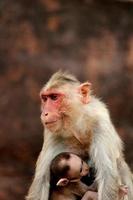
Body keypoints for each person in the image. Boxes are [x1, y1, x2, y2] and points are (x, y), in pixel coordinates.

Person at [50, 152, 128, 200]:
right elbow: (89, 192)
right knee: (89, 195)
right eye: (81, 170)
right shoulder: (67, 188)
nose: (86, 167)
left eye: (82, 162)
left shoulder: (74, 179)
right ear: (64, 182)